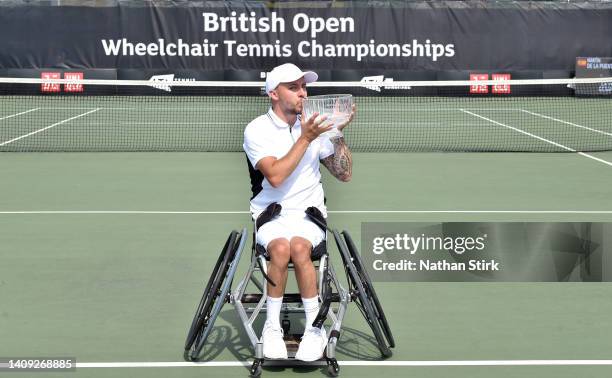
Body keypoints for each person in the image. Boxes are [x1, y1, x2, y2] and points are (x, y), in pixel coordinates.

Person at [243, 63, 354, 362]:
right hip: (271, 215)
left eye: (304, 87)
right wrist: (306, 137)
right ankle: (272, 329)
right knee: (280, 248)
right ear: (273, 94)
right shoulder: (257, 130)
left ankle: (314, 330)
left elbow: (343, 174)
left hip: (309, 216)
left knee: (300, 248)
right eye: (294, 87)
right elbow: (275, 177)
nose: (303, 93)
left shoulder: (317, 129)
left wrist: (336, 133)